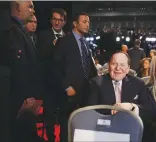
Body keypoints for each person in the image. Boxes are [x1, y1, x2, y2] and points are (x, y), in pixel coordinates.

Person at [0, 1, 44, 142]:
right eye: (30, 6)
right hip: (18, 100)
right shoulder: (11, 31)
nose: (33, 10)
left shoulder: (17, 30)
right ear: (18, 7)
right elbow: (19, 67)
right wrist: (28, 95)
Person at [53, 12, 97, 142]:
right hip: (69, 92)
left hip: (85, 91)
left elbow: (89, 66)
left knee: (81, 127)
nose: (87, 24)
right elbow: (55, 67)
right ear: (75, 23)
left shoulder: (85, 43)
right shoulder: (64, 41)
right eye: (84, 22)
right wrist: (66, 86)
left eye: (88, 22)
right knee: (66, 127)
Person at [37, 8, 67, 142]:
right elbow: (40, 57)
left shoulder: (68, 37)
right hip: (48, 84)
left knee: (64, 117)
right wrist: (53, 47)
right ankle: (49, 139)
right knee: (49, 116)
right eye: (55, 19)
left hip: (64, 85)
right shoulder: (43, 35)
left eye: (60, 20)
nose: (57, 22)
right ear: (50, 20)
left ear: (64, 22)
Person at [88, 52, 148, 117]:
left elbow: (147, 109)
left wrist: (132, 107)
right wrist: (111, 111)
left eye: (122, 65)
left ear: (128, 69)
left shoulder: (138, 83)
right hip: (105, 123)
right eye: (114, 64)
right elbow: (90, 110)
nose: (118, 68)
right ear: (108, 66)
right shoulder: (96, 83)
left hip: (130, 124)